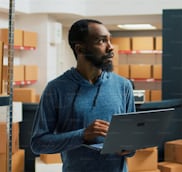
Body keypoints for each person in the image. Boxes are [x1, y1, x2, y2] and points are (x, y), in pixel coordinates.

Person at [30, 19, 136, 172]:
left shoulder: (123, 86)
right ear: (80, 49)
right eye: (101, 41)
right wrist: (83, 135)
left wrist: (129, 148)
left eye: (109, 40)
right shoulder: (56, 89)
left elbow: (131, 140)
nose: (110, 47)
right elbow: (38, 143)